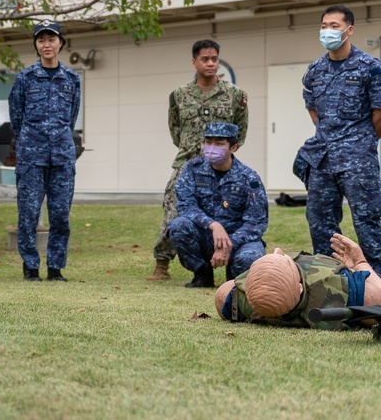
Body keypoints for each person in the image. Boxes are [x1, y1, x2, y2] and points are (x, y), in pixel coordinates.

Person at [148, 39, 248, 281]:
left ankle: (231, 259)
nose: (211, 63)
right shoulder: (179, 95)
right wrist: (193, 152)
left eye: (214, 59)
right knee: (172, 210)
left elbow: (241, 130)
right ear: (194, 62)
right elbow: (175, 129)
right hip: (187, 162)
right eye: (205, 59)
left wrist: (222, 156)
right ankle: (162, 264)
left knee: (229, 213)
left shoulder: (235, 95)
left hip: (222, 167)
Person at [296, 4, 381, 273]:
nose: (328, 31)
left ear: (349, 30)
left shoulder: (371, 68)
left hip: (359, 161)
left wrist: (359, 140)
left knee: (368, 221)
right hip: (322, 159)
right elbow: (313, 109)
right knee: (320, 221)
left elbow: (379, 115)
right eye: (324, 26)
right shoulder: (315, 70)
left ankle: (376, 281)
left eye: (334, 26)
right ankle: (329, 280)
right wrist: (330, 137)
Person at [8, 21, 81, 282]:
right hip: (31, 156)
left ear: (61, 42)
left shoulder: (72, 79)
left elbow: (71, 118)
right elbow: (16, 117)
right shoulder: (25, 78)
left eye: (51, 39)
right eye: (41, 40)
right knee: (28, 214)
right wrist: (31, 140)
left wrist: (56, 137)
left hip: (62, 155)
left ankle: (55, 268)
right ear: (36, 46)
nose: (46, 45)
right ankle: (30, 267)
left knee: (60, 215)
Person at [167, 122, 267, 288]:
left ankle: (234, 278)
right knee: (178, 227)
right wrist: (213, 225)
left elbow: (256, 223)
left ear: (233, 147)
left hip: (239, 239)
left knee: (250, 259)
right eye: (208, 142)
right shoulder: (193, 169)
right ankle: (202, 273)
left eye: (219, 143)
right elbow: (186, 205)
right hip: (206, 237)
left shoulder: (249, 178)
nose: (212, 147)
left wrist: (228, 245)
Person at [216, 234, 381, 329]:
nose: (278, 250)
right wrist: (360, 263)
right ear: (300, 288)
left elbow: (223, 292)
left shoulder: (237, 302)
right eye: (287, 260)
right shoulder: (351, 295)